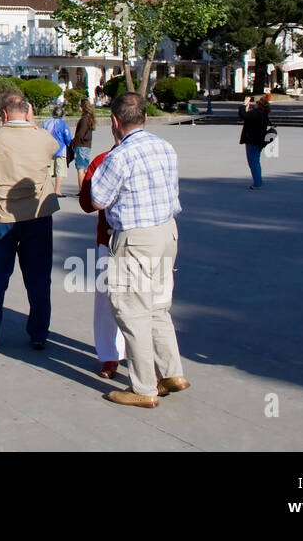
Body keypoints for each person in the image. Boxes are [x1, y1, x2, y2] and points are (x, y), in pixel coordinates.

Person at [89, 92, 188, 408]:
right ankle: (172, 372)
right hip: (167, 232)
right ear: (143, 117)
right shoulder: (165, 146)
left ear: (115, 122)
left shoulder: (119, 156)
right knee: (159, 305)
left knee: (132, 311)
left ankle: (144, 388)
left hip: (136, 238)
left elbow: (97, 200)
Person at [0, 90, 60, 351]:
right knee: (39, 278)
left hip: (2, 214)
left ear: (3, 113)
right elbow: (53, 151)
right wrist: (32, 124)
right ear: (28, 110)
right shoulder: (41, 137)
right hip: (37, 214)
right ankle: (39, 334)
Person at [79, 145, 127, 378]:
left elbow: (87, 203)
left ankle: (111, 356)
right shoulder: (159, 151)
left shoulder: (102, 160)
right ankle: (150, 363)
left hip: (111, 238)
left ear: (116, 123)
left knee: (108, 300)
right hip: (147, 239)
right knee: (149, 300)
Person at [239, 96, 272, 189]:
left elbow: (243, 115)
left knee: (253, 162)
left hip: (252, 140)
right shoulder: (263, 114)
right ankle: (258, 181)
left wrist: (245, 104)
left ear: (259, 105)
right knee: (256, 161)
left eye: (256, 103)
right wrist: (246, 108)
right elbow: (247, 116)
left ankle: (258, 183)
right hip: (259, 140)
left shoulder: (257, 113)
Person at [42, 104, 74, 197]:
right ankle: (57, 190)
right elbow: (67, 138)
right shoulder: (63, 124)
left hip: (48, 149)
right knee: (60, 171)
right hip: (60, 150)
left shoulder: (46, 123)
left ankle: (49, 190)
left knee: (49, 171)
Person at [71, 98, 96, 187]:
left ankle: (82, 190)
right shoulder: (90, 118)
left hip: (81, 146)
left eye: (79, 106)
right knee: (85, 168)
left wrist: (73, 142)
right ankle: (85, 188)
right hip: (87, 146)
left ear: (82, 107)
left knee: (80, 169)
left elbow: (80, 134)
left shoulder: (84, 119)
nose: (78, 107)